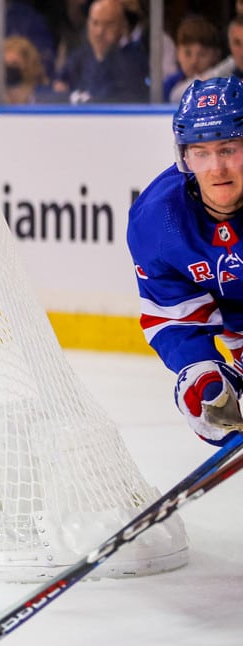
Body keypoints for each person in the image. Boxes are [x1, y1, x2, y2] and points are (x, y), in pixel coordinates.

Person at [127, 76, 243, 446]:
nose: (216, 169)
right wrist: (202, 377)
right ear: (184, 156)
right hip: (231, 312)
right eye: (201, 152)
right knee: (204, 389)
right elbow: (173, 320)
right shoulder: (157, 221)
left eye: (228, 149)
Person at [53, 0, 148, 104]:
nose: (99, 32)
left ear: (122, 27)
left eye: (108, 24)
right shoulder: (79, 58)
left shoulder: (133, 62)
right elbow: (59, 88)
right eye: (95, 23)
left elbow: (123, 100)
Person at [162, 15, 224, 104]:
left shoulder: (223, 86)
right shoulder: (168, 86)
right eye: (188, 53)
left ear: (215, 56)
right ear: (177, 53)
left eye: (202, 54)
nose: (194, 61)